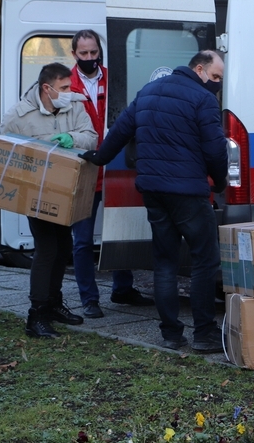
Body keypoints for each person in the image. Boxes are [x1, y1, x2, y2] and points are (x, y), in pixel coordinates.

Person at [81, 50, 228, 353]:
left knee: (164, 263)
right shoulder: (203, 100)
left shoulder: (147, 92)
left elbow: (120, 130)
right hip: (188, 193)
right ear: (198, 69)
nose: (216, 84)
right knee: (204, 259)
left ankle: (171, 334)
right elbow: (215, 150)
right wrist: (221, 180)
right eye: (215, 77)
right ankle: (204, 333)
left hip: (153, 191)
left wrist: (100, 158)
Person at [0, 62, 98, 339]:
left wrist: (71, 137)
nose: (69, 91)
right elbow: (2, 146)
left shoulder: (74, 107)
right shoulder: (20, 115)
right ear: (47, 88)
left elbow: (91, 138)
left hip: (65, 190)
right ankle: (36, 314)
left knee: (64, 246)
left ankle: (53, 304)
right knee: (47, 249)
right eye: (64, 87)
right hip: (36, 192)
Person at [68, 29, 154, 319]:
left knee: (119, 229)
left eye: (94, 53)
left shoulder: (115, 77)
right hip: (83, 168)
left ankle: (122, 288)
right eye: (84, 54)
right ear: (74, 55)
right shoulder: (65, 86)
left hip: (115, 163)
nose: (90, 58)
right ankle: (89, 298)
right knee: (82, 240)